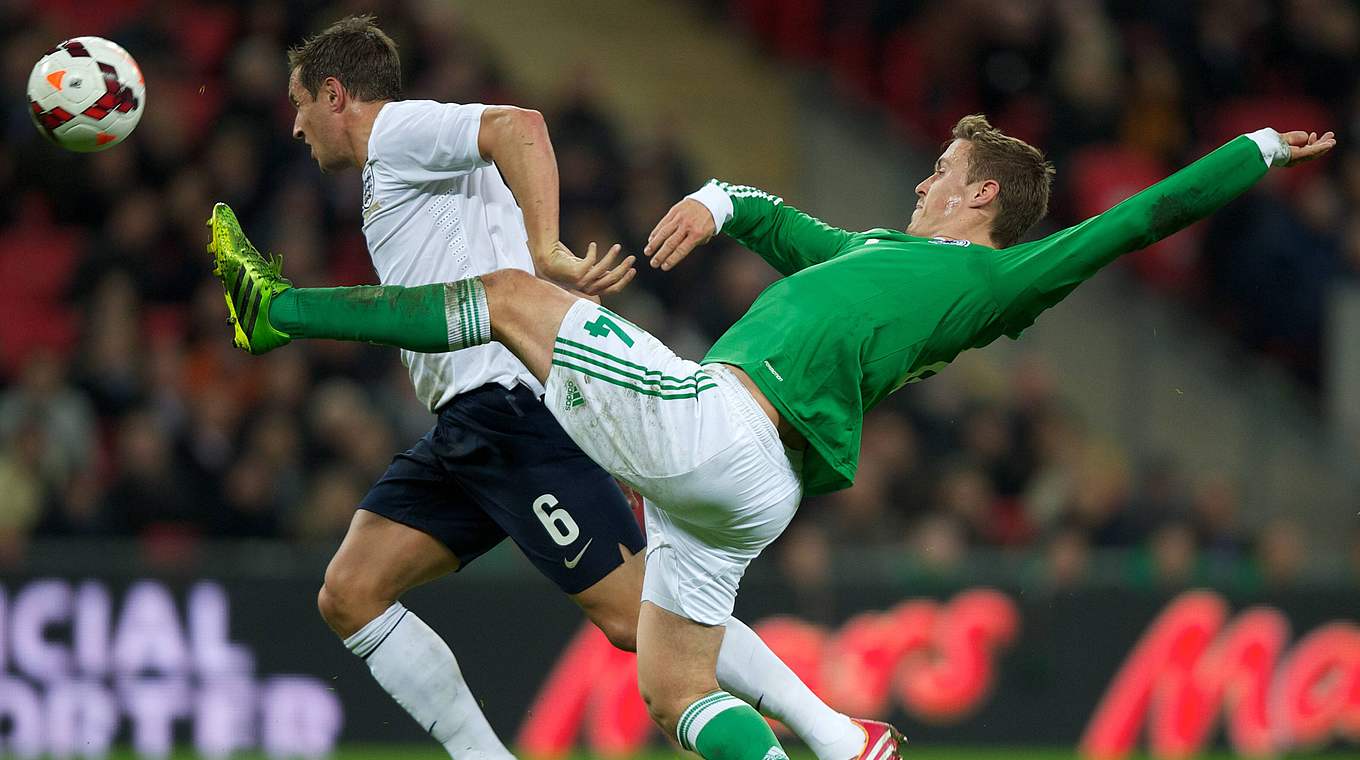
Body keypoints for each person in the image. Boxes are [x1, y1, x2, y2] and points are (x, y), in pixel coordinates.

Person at [208, 93, 1335, 757]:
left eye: (941, 170)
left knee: (508, 297)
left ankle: (285, 311)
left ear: (980, 196)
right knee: (671, 692)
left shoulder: (999, 280)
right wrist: (720, 199)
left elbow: (1139, 219)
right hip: (753, 488)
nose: (923, 179)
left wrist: (1257, 153)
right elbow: (783, 227)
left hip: (719, 425)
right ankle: (843, 745)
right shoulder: (881, 258)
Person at [247, 15, 900, 760]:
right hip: (467, 424)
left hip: (515, 406)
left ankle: (837, 735)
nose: (296, 128)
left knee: (641, 621)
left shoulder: (395, 132)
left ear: (336, 94)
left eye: (300, 105)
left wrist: (543, 246)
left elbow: (519, 126)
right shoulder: (391, 167)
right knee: (350, 593)